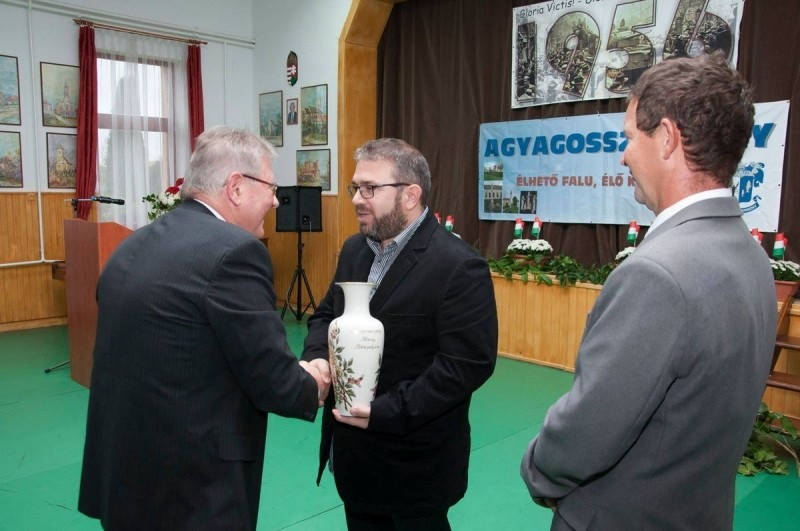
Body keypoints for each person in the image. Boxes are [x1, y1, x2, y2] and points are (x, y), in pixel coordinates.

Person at [520, 52, 776, 530]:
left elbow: (589, 429)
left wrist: (538, 469)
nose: (623, 155)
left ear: (667, 138)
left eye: (629, 137)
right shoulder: (751, 255)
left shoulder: (658, 274)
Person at [78, 126, 331, 530]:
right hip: (191, 492)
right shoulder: (235, 253)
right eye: (270, 187)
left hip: (126, 478)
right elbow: (276, 383)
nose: (274, 199)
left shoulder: (133, 245)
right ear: (236, 187)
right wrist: (316, 381)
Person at [302, 138, 498, 530]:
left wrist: (386, 412)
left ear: (410, 195)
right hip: (354, 461)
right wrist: (318, 358)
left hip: (413, 469)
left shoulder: (458, 266)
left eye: (370, 188)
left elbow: (465, 366)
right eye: (356, 187)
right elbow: (326, 314)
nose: (356, 199)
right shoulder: (355, 250)